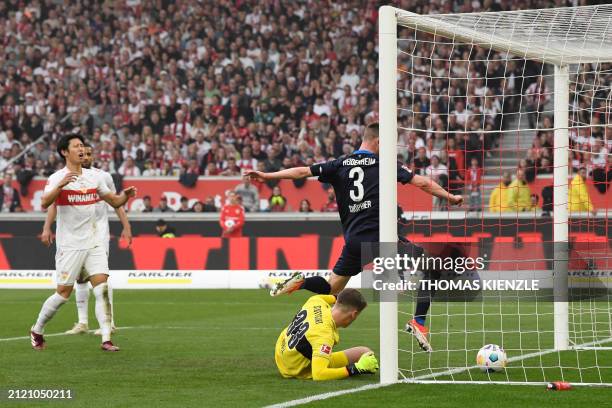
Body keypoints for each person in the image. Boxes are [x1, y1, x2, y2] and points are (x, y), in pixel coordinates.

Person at [245, 122, 462, 352]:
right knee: (435, 264)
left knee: (330, 289)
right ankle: (418, 322)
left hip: (354, 242)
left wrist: (267, 175)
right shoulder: (384, 164)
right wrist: (450, 197)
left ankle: (301, 282)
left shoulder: (339, 164)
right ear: (377, 142)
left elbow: (301, 171)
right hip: (381, 239)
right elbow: (422, 183)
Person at [31, 134, 137, 352]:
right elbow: (45, 202)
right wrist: (60, 186)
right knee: (62, 294)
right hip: (69, 245)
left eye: (82, 146)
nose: (81, 150)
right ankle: (37, 328)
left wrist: (126, 196)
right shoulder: (56, 178)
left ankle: (106, 339)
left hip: (94, 242)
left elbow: (114, 201)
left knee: (102, 287)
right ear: (64, 152)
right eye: (76, 146)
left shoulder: (95, 178)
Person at [275, 288, 378, 380]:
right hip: (292, 368)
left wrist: (347, 296)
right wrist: (356, 368)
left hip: (282, 352)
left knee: (364, 352)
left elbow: (334, 297)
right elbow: (319, 374)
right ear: (354, 314)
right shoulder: (324, 335)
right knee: (365, 356)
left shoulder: (316, 301)